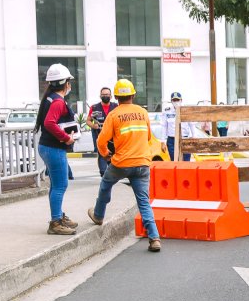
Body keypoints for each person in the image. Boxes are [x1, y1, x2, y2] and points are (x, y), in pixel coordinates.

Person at [88, 79, 165, 252]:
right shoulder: (142, 112)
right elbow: (147, 138)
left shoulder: (114, 115)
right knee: (144, 202)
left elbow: (101, 140)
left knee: (105, 185)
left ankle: (98, 215)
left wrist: (106, 154)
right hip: (142, 164)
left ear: (116, 97)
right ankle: (154, 238)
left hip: (121, 163)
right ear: (133, 95)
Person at [35, 64, 79, 235]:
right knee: (61, 185)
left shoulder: (50, 98)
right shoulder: (58, 102)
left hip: (46, 147)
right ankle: (55, 222)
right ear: (65, 83)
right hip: (54, 148)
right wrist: (66, 137)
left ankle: (58, 216)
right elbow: (49, 123)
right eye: (69, 82)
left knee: (55, 185)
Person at [160, 91, 195, 161]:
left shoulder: (186, 110)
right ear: (171, 101)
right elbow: (164, 126)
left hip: (184, 138)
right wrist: (163, 141)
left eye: (177, 100)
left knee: (186, 162)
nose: (176, 102)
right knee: (174, 161)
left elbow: (192, 124)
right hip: (172, 139)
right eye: (174, 100)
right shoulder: (167, 111)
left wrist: (193, 137)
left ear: (181, 100)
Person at [87, 87, 115, 175]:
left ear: (111, 96)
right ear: (100, 96)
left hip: (113, 138)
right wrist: (93, 125)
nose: (105, 96)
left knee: (113, 154)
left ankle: (112, 171)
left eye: (107, 95)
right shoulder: (94, 107)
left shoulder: (116, 107)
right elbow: (88, 121)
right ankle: (103, 172)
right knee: (102, 153)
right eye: (103, 95)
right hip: (99, 136)